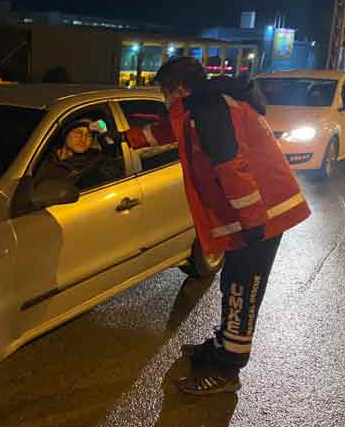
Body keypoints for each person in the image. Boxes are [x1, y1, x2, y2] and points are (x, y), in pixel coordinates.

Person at [133, 58, 311, 395]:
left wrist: (253, 221)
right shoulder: (202, 104)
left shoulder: (211, 110)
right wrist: (124, 138)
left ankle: (228, 370)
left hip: (264, 214)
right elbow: (166, 130)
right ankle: (223, 346)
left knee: (243, 289)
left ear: (180, 88)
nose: (164, 98)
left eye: (165, 91)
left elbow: (232, 166)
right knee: (233, 283)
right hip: (255, 214)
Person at [34, 118, 119, 188]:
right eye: (78, 133)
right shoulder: (41, 156)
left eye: (89, 135)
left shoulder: (95, 163)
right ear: (65, 135)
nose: (83, 139)